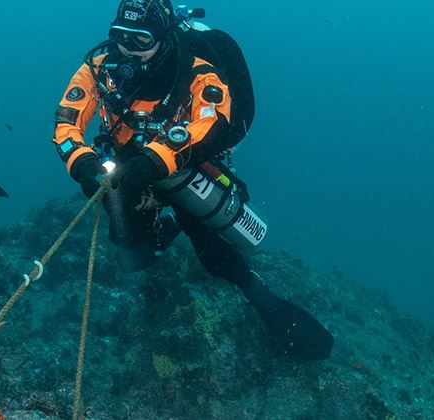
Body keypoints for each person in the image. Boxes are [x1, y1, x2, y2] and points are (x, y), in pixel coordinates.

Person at [51, 0, 334, 359]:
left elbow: (211, 120)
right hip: (129, 170)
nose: (127, 49)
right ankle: (161, 229)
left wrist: (157, 160)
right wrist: (81, 161)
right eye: (120, 36)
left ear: (164, 36)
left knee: (215, 257)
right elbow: (66, 122)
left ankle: (264, 299)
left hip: (185, 167)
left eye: (140, 40)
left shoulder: (198, 71)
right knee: (133, 254)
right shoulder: (98, 68)